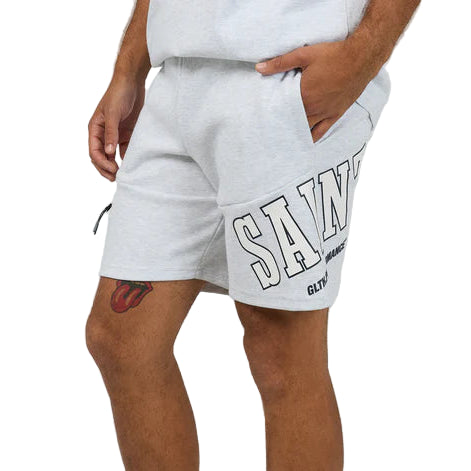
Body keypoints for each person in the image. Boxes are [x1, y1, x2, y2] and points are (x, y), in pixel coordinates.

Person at [86, 0, 420, 469]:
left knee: (281, 354)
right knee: (121, 339)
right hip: (179, 74)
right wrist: (129, 68)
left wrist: (362, 57)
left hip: (288, 78)